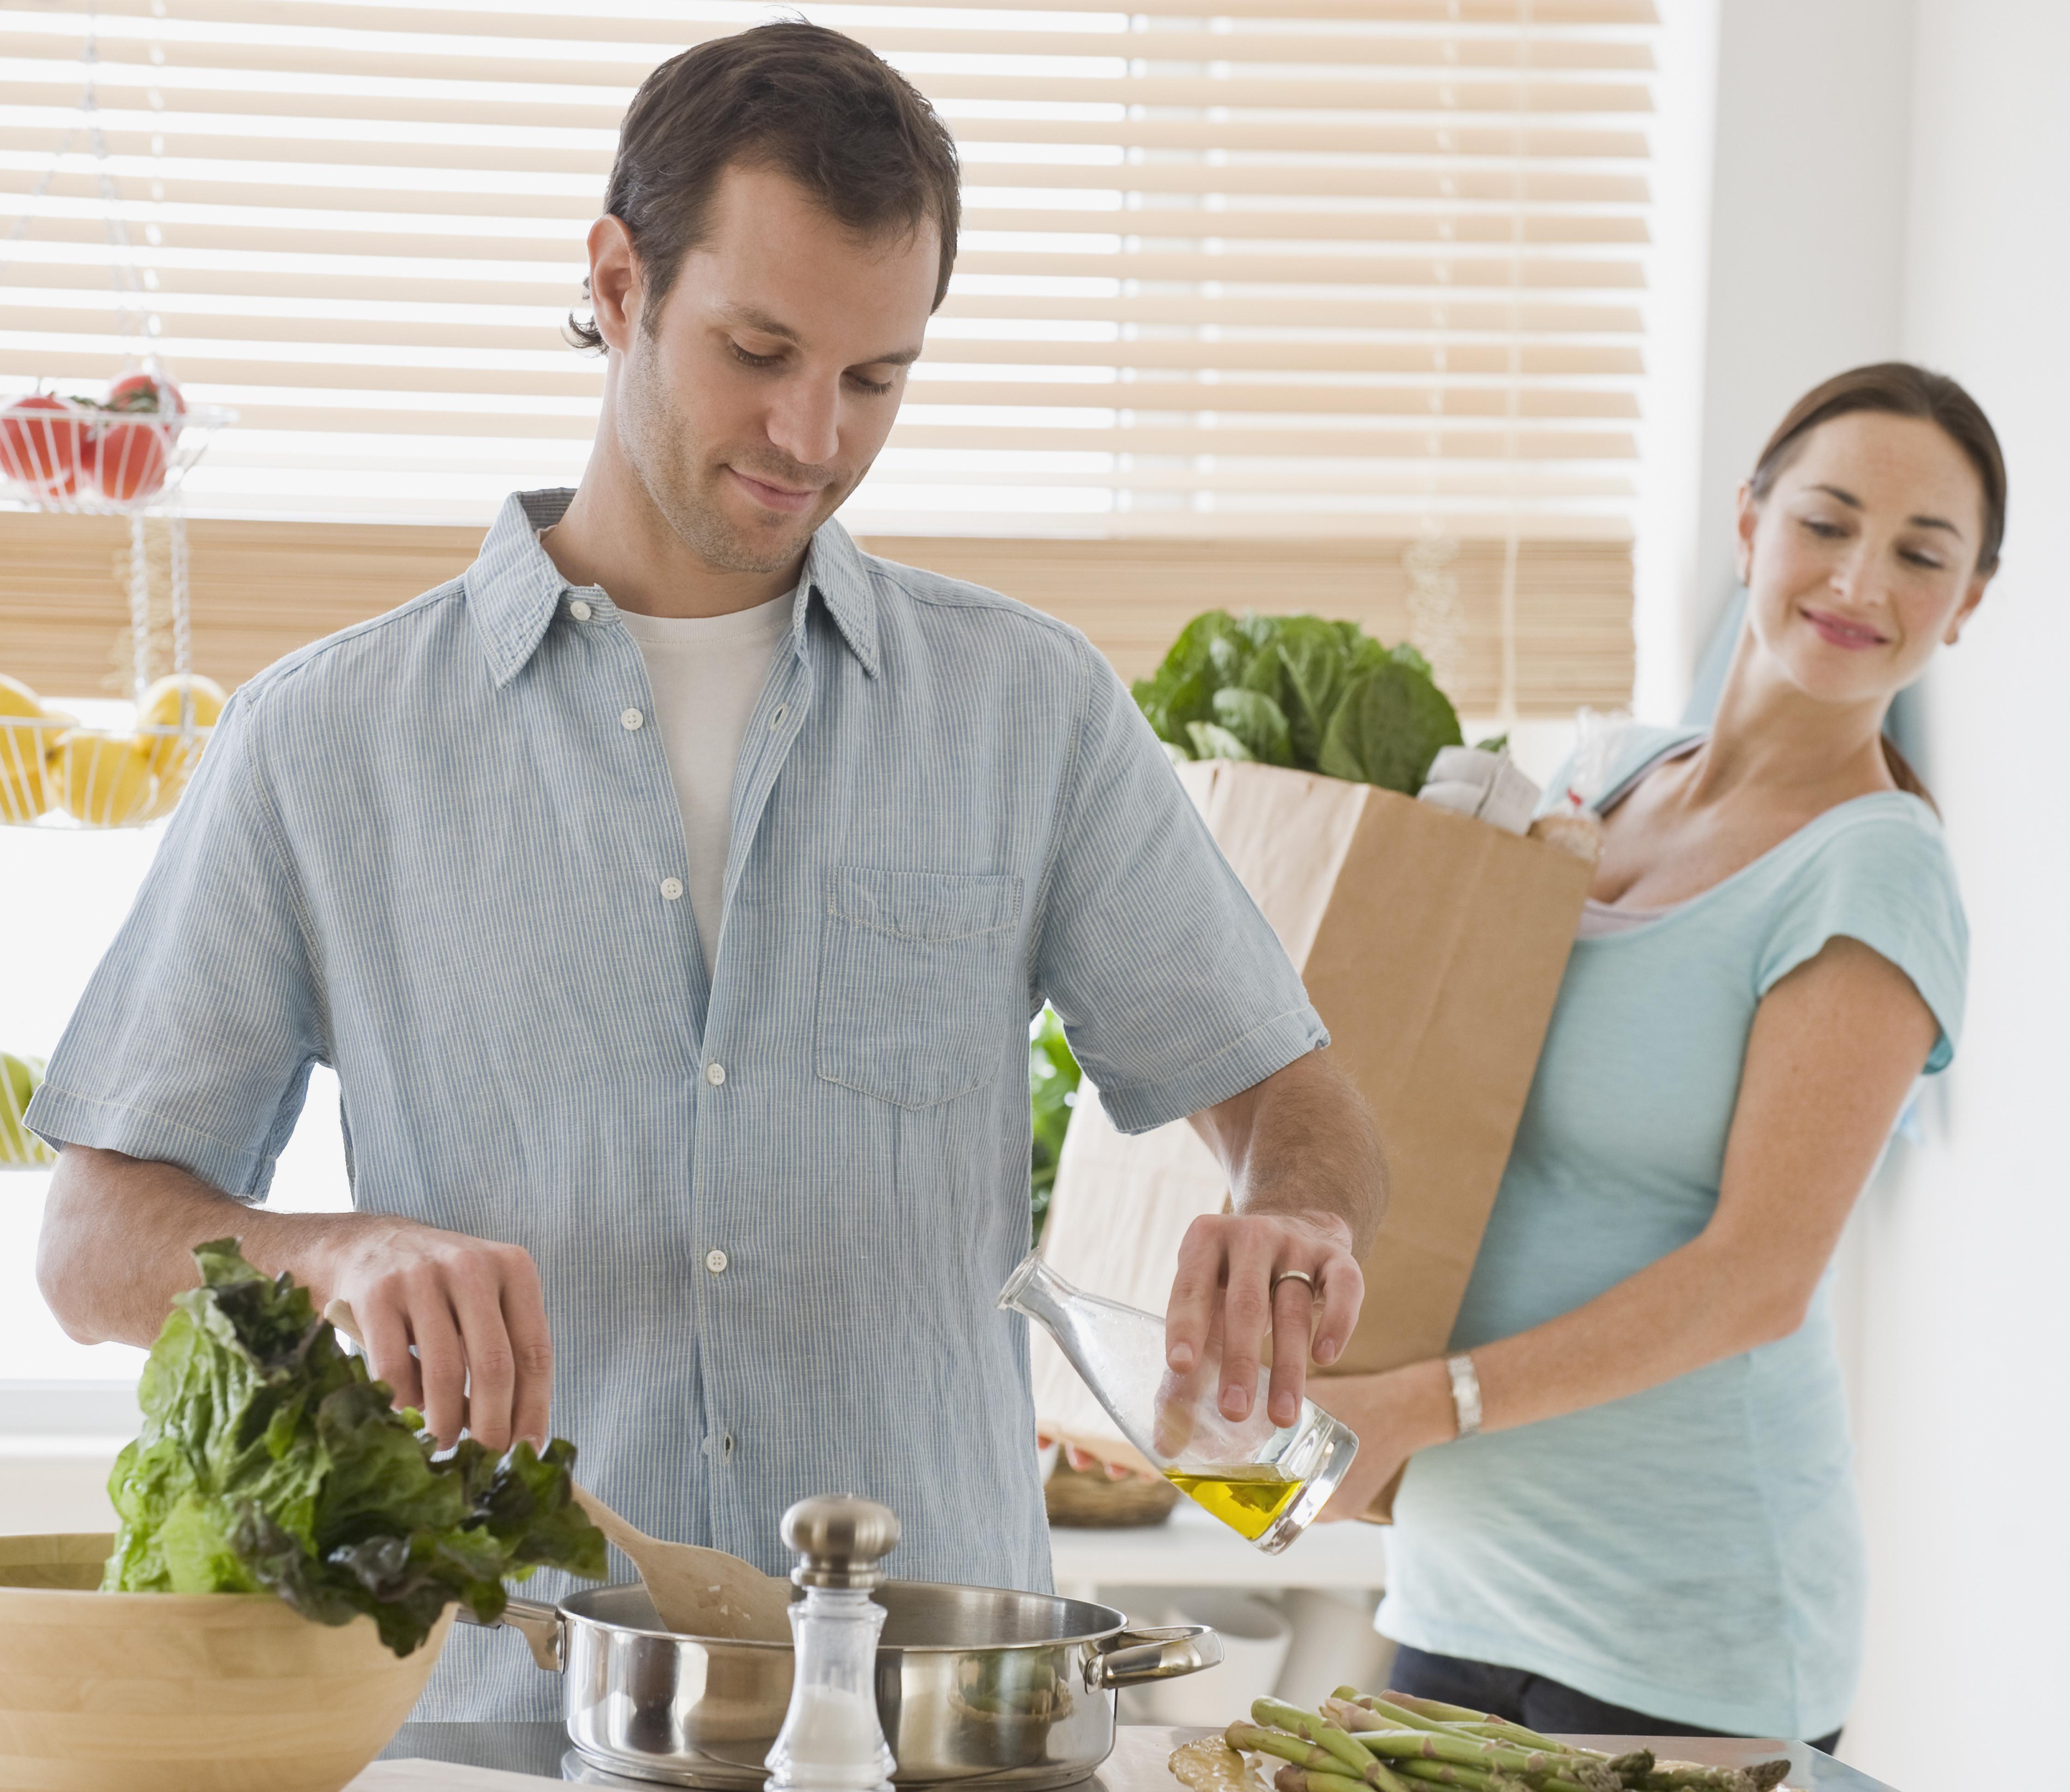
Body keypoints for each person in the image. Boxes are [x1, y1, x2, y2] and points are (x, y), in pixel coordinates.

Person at [28, 24, 1385, 1717]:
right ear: (615, 280)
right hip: (502, 1720)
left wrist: (1293, 1217)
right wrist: (336, 1257)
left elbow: (1292, 1101)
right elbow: (91, 1244)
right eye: (759, 349)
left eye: (876, 378)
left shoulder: (1024, 710)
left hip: (929, 1722)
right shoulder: (329, 740)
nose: (812, 435)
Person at [1315, 364, 1999, 1750]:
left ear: (1964, 603)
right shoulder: (1595, 785)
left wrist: (1422, 1404)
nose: (1859, 578)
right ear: (1748, 523)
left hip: (1679, 1627)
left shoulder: (1870, 874)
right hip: (1455, 1581)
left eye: (1921, 553)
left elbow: (1755, 1280)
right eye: (1827, 520)